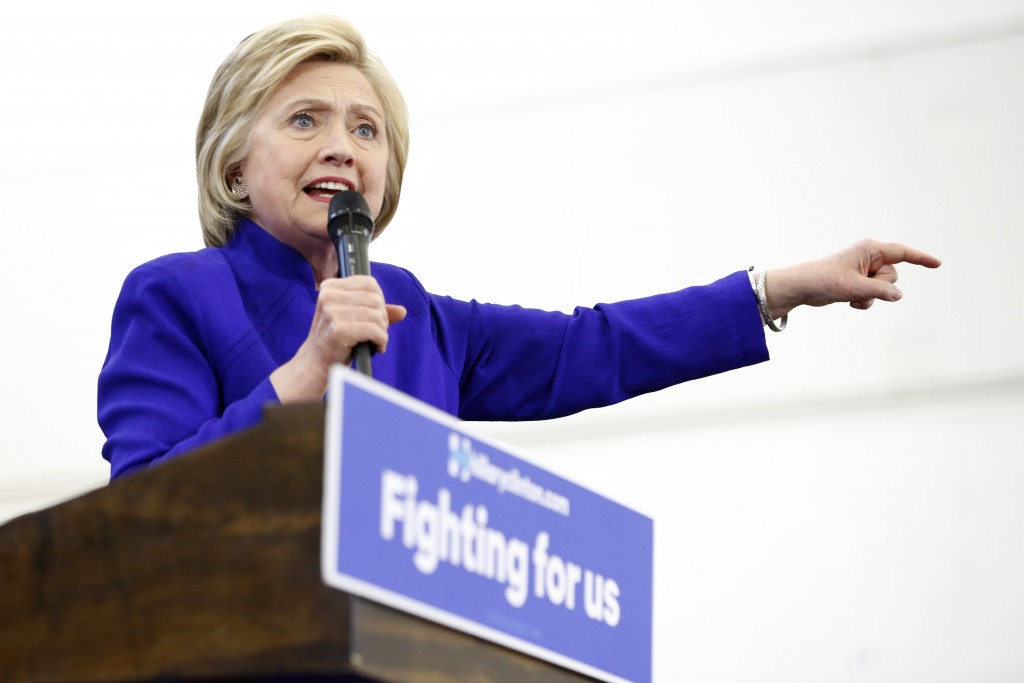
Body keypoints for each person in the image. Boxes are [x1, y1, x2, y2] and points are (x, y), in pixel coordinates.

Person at [98, 15, 941, 481]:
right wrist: (303, 376)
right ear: (234, 167)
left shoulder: (419, 317)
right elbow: (134, 509)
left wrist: (777, 288)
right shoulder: (176, 295)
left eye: (366, 128)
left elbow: (594, 345)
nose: (343, 148)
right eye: (304, 120)